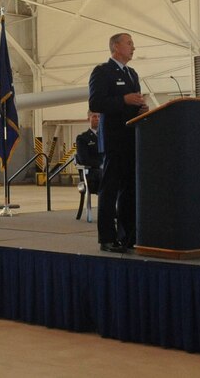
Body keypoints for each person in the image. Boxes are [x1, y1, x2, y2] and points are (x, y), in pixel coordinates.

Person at [88, 33, 149, 253]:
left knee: (130, 190)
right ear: (115, 46)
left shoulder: (132, 73)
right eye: (129, 43)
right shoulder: (102, 71)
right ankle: (107, 237)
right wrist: (123, 100)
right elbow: (96, 102)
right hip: (114, 139)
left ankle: (128, 236)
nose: (134, 47)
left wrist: (141, 108)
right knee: (110, 189)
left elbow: (134, 101)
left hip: (132, 138)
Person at [75, 111, 102, 194]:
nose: (97, 119)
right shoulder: (83, 138)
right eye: (94, 116)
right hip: (92, 173)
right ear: (88, 119)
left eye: (99, 117)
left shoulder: (106, 136)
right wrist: (101, 164)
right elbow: (84, 159)